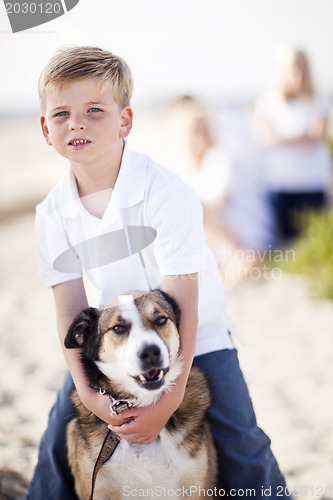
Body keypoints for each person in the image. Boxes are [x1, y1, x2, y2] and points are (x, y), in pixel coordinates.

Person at [27, 46, 289, 499]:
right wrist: (90, 395)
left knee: (242, 441)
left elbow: (183, 298)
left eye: (95, 110)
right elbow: (69, 308)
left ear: (126, 120)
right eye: (62, 113)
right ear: (46, 129)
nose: (78, 123)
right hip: (116, 341)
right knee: (57, 436)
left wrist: (167, 401)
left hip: (195, 334)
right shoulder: (52, 214)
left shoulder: (165, 192)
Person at [253, 46, 332, 243]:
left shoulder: (320, 101)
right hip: (279, 184)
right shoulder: (267, 101)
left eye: (303, 68)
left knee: (311, 240)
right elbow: (263, 137)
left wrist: (281, 137)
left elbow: (315, 138)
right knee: (282, 242)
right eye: (293, 68)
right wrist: (300, 136)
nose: (298, 74)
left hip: (312, 183)